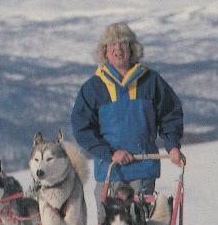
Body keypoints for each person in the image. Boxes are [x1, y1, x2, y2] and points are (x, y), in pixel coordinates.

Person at [71, 22, 185, 203]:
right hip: (109, 171)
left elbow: (170, 114)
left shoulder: (150, 81)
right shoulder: (93, 87)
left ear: (132, 49)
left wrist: (172, 145)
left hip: (143, 169)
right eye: (112, 45)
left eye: (123, 43)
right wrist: (109, 153)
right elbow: (82, 128)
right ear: (105, 51)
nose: (118, 49)